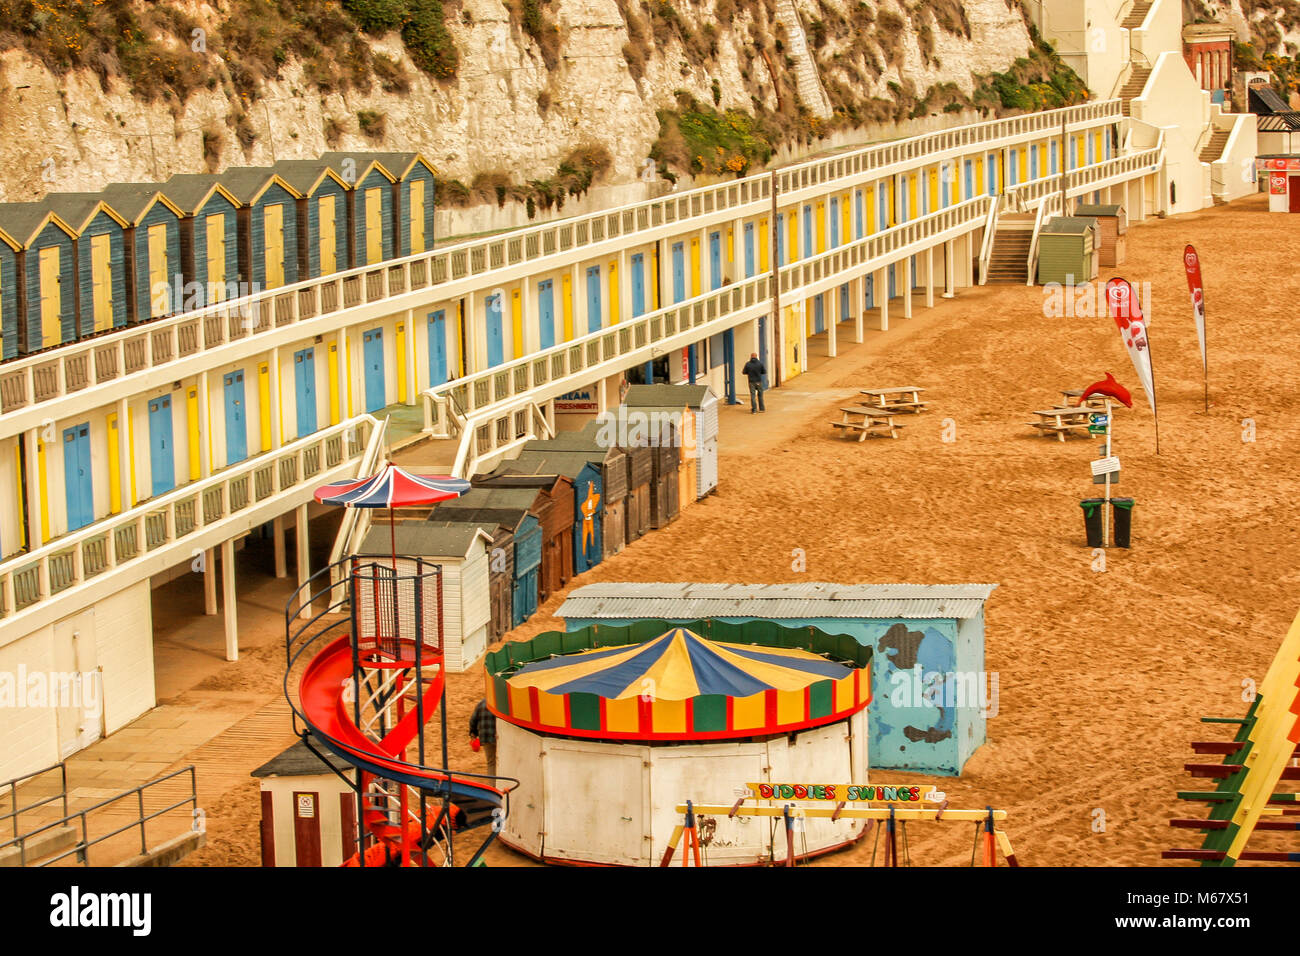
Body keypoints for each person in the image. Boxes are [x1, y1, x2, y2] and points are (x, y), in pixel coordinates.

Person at [469, 698, 497, 777]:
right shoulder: (500, 703)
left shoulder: (481, 704)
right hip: (499, 737)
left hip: (485, 737)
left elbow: (472, 721)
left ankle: (492, 786)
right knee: (503, 760)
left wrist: (473, 734)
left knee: (491, 762)